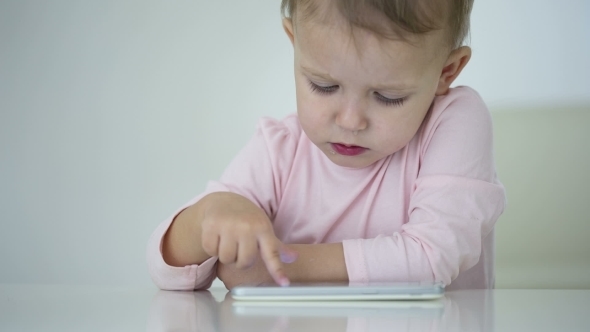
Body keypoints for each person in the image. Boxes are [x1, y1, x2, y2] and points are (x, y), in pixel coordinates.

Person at [147, 0, 506, 291]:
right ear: (295, 42)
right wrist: (210, 216)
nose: (350, 121)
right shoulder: (280, 151)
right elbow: (165, 268)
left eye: (387, 96)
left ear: (447, 71)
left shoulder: (455, 120)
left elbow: (432, 256)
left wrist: (283, 266)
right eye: (324, 86)